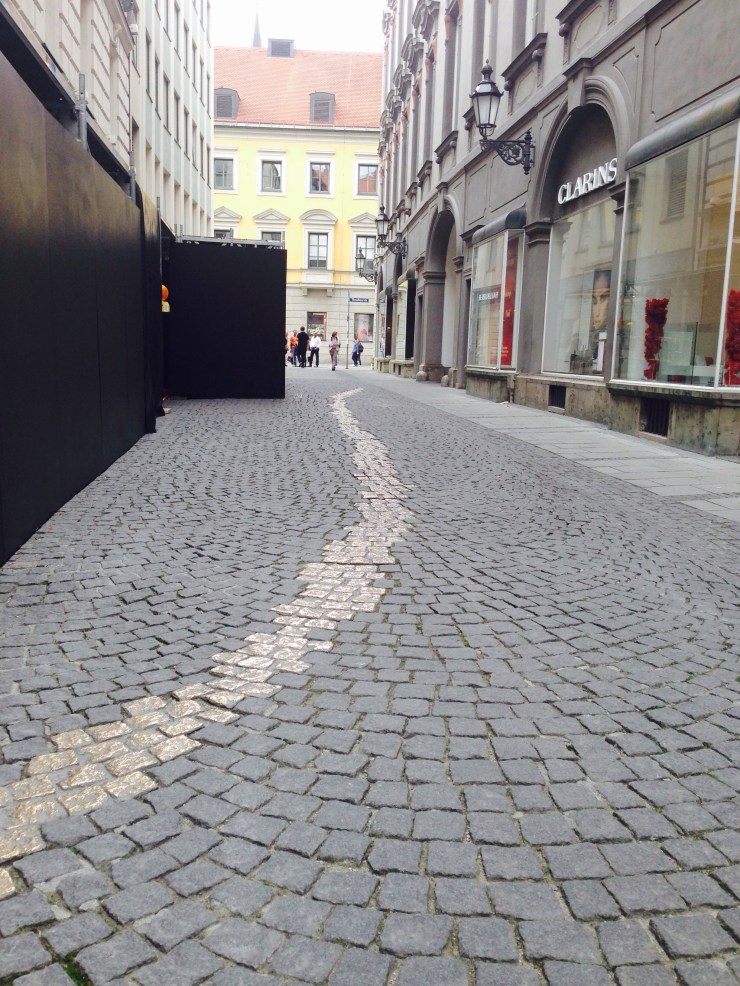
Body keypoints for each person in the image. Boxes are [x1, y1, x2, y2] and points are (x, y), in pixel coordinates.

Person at [589, 269, 611, 368]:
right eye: (594, 301)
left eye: (603, 298)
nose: (597, 312)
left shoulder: (613, 336)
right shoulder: (587, 335)